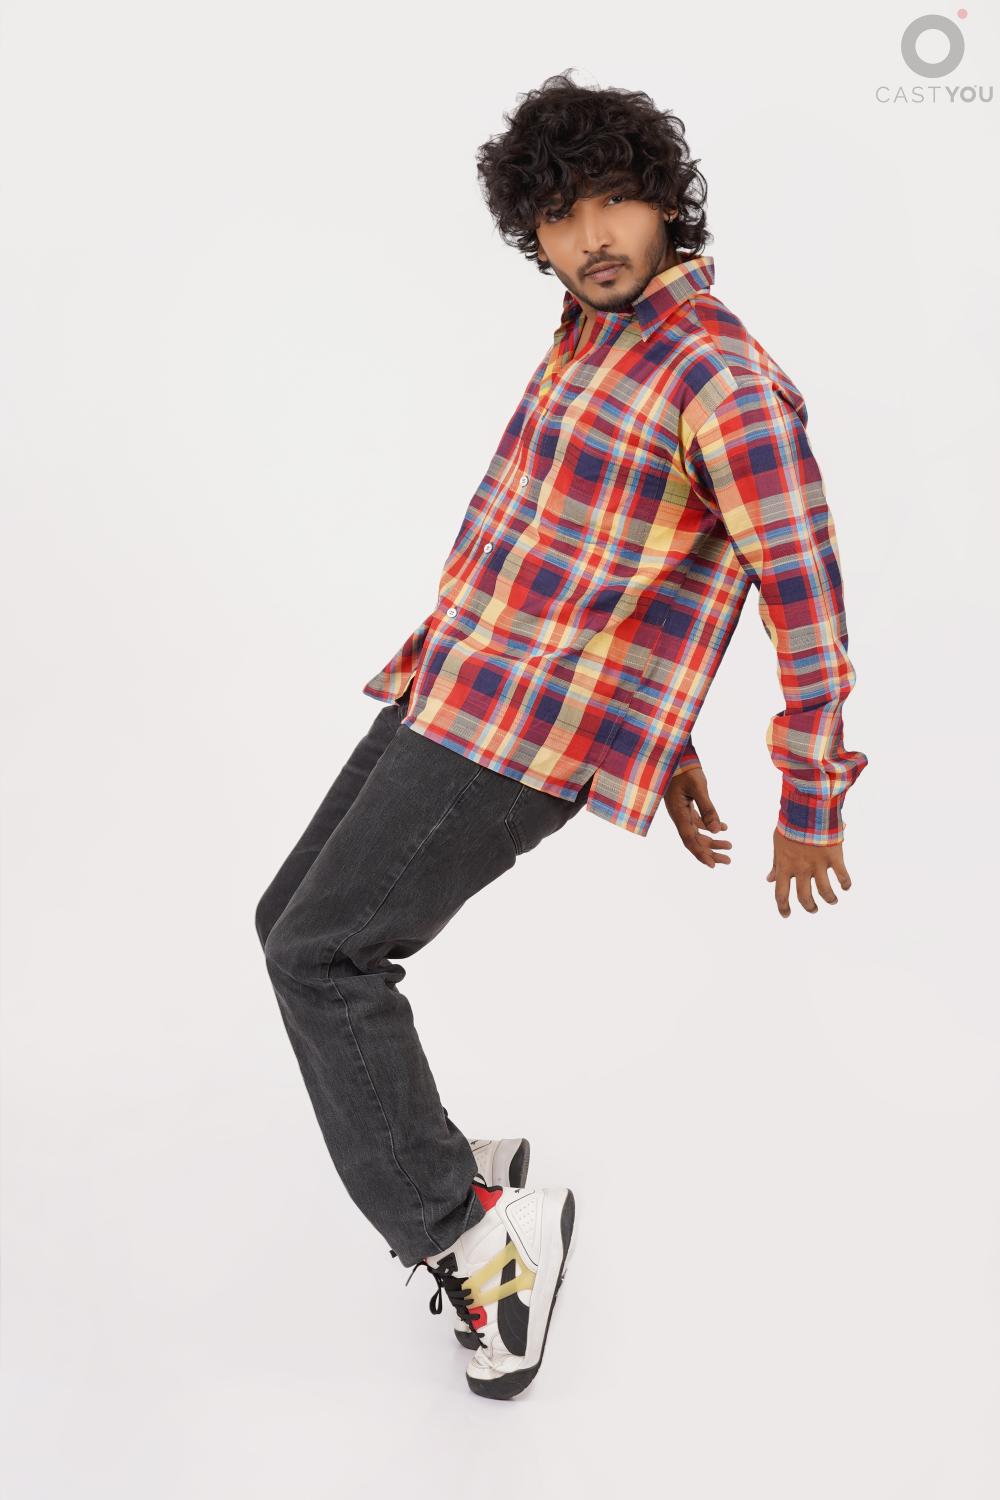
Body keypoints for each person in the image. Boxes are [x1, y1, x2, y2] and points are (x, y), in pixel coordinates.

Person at [254, 69, 869, 1401]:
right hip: (462, 678)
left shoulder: (723, 379)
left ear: (666, 205)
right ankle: (453, 1172)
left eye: (616, 202)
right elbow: (624, 570)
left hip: (521, 733)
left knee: (324, 956)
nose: (592, 236)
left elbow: (806, 601)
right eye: (560, 213)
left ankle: (474, 1246)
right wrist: (671, 742)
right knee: (289, 923)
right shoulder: (590, 334)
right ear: (529, 230)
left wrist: (810, 796)